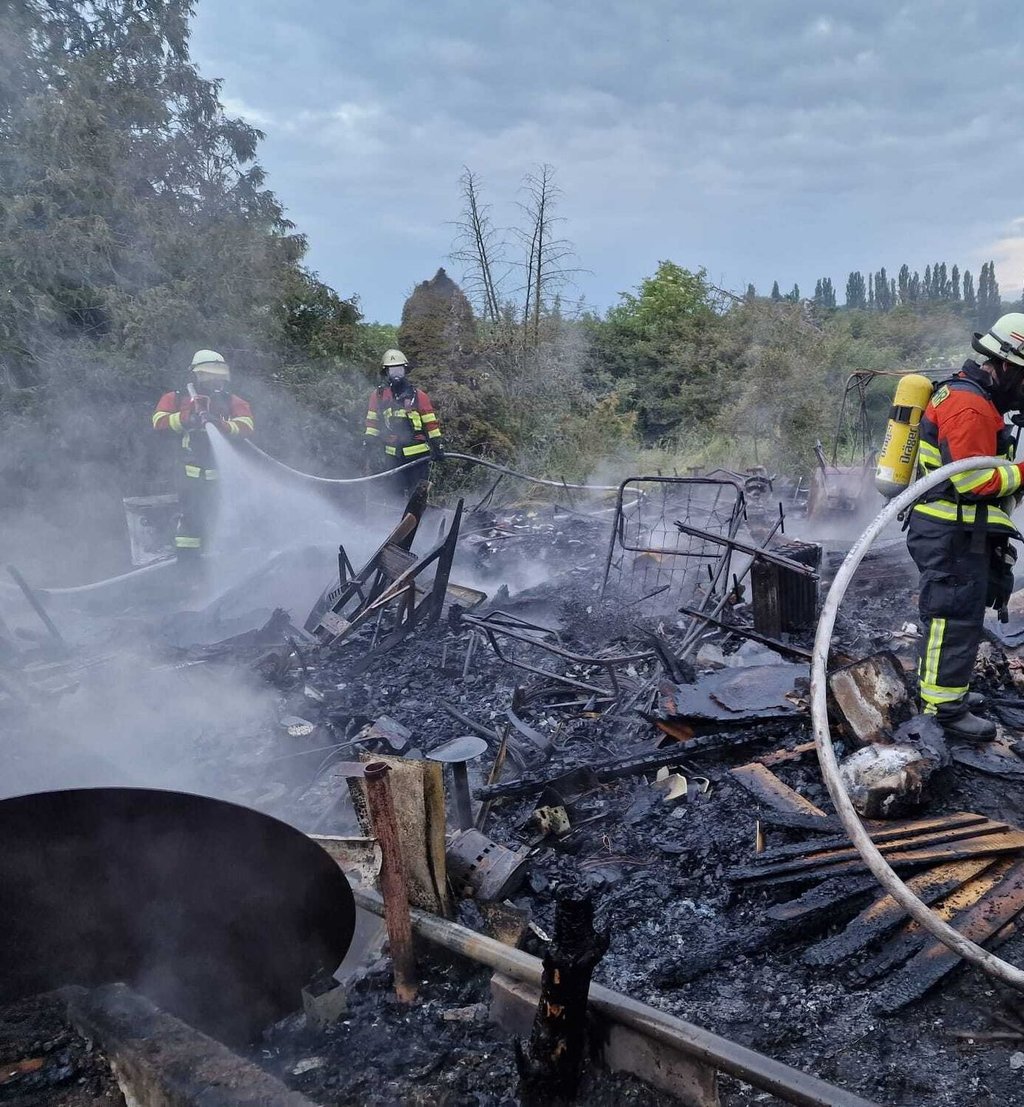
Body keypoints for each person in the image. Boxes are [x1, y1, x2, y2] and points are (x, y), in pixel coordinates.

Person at [908, 312, 1024, 741]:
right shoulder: (970, 405)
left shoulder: (968, 396)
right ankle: (943, 712)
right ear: (1007, 365)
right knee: (952, 619)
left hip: (954, 530)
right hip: (951, 532)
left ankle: (944, 691)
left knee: (955, 616)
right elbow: (974, 480)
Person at [152, 349, 254, 559]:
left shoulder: (231, 401)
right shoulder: (178, 398)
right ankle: (188, 567)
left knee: (226, 520)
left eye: (219, 375)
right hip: (190, 474)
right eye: (209, 375)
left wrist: (221, 425)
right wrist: (186, 418)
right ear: (195, 375)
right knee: (191, 523)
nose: (216, 381)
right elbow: (158, 421)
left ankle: (227, 563)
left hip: (223, 475)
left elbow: (246, 425)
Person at [363, 349, 444, 502]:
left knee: (418, 497)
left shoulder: (418, 396)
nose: (396, 374)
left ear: (405, 370)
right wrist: (369, 441)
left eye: (399, 369)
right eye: (392, 370)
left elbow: (431, 423)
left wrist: (437, 445)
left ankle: (419, 524)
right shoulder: (378, 396)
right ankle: (393, 524)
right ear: (385, 372)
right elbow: (372, 421)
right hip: (393, 457)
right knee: (394, 497)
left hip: (418, 458)